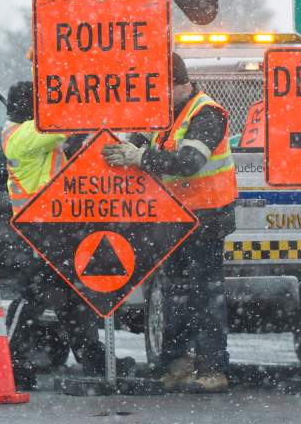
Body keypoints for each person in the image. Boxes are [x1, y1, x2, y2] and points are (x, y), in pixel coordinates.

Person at [101, 52, 238, 392]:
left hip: (207, 218)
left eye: (160, 89)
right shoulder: (162, 113)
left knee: (205, 295)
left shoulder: (206, 113)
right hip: (173, 219)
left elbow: (189, 162)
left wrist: (141, 157)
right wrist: (118, 148)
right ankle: (175, 364)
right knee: (173, 295)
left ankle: (213, 369)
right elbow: (136, 142)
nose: (155, 98)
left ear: (180, 84)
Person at [1, 80, 130, 375]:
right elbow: (59, 127)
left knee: (74, 297)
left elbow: (64, 143)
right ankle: (10, 361)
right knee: (34, 296)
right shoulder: (19, 136)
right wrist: (90, 102)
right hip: (37, 229)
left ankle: (94, 360)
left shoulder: (30, 133)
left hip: (55, 226)